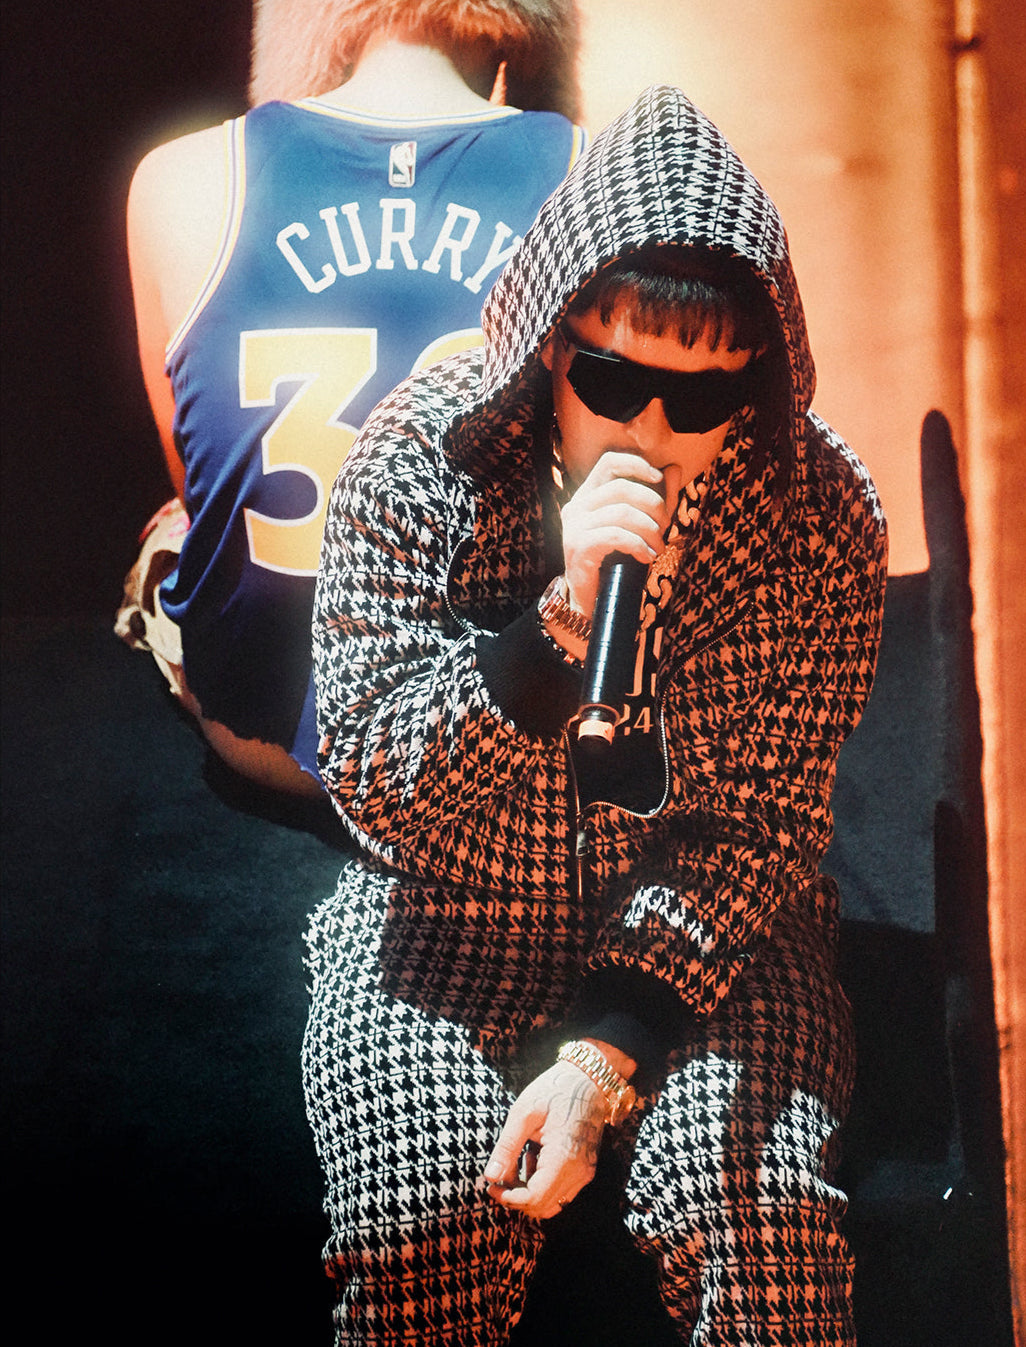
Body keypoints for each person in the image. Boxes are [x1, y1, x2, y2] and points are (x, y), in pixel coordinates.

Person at [304, 85, 887, 1344]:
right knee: (419, 1223)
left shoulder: (824, 518)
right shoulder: (416, 462)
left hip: (712, 936)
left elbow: (765, 831)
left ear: (755, 386)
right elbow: (369, 782)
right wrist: (554, 631)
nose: (652, 432)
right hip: (447, 915)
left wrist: (606, 1051)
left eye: (700, 400)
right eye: (615, 380)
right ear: (549, 350)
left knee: (764, 1225)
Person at [116, 0, 585, 797]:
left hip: (265, 745)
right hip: (502, 754)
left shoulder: (179, 176)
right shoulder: (593, 170)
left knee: (177, 528)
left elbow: (200, 487)